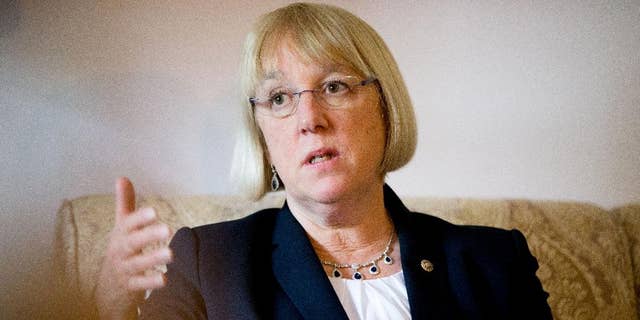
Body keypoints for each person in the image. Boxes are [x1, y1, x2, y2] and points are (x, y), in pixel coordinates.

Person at [95, 3, 552, 319]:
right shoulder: (208, 262)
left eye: (335, 86)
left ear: (385, 108)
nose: (309, 119)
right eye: (278, 97)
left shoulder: (494, 261)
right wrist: (107, 308)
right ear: (262, 137)